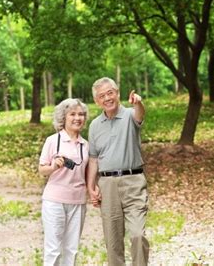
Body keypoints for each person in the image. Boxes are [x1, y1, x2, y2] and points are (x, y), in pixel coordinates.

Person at [87, 77, 149, 266]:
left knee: (138, 234)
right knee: (113, 242)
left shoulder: (130, 115)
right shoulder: (95, 125)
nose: (107, 98)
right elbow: (93, 159)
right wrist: (91, 186)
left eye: (110, 93)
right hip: (107, 185)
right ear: (97, 101)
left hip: (133, 182)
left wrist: (138, 102)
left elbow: (140, 115)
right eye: (102, 96)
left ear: (117, 93)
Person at [38, 98, 89, 266]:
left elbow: (89, 173)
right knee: (53, 249)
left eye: (81, 114)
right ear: (64, 117)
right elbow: (42, 170)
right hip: (54, 201)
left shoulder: (86, 145)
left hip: (78, 201)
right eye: (72, 114)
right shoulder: (53, 140)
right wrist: (53, 166)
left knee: (72, 249)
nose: (77, 118)